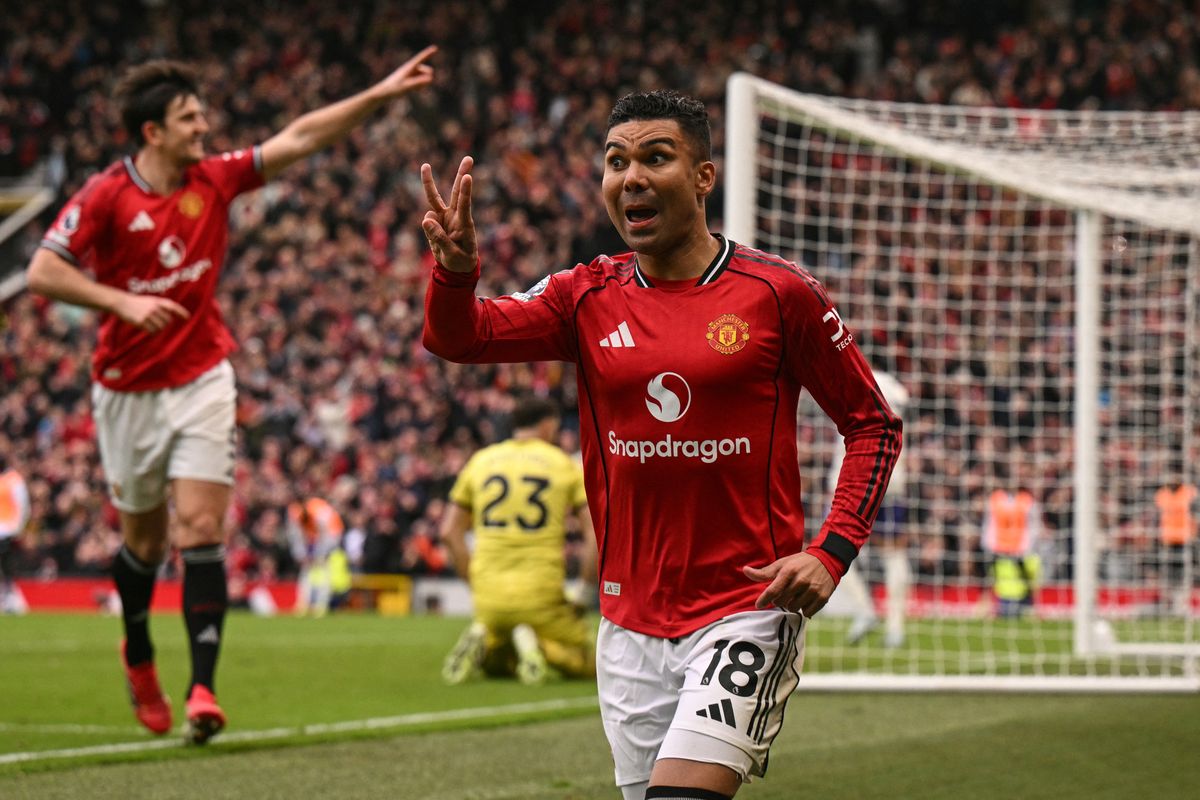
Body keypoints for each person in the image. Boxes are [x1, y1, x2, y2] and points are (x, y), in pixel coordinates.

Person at [421, 90, 901, 800]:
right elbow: (459, 338)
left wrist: (832, 551)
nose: (631, 177)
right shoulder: (584, 295)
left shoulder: (778, 294)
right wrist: (456, 273)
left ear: (703, 177)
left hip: (746, 608)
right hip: (628, 625)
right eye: (616, 162)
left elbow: (872, 424)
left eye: (655, 157)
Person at [25, 47, 436, 743]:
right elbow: (42, 270)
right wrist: (119, 303)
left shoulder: (213, 179)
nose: (204, 125)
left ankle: (203, 688)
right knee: (145, 545)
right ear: (151, 131)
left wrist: (379, 94)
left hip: (201, 377)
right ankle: (138, 651)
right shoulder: (105, 195)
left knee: (201, 530)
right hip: (126, 391)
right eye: (189, 117)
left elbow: (299, 137)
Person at [439, 395, 597, 686]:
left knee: (502, 659)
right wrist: (584, 594)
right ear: (549, 425)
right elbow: (596, 532)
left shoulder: (481, 461)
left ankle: (489, 642)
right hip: (541, 594)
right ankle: (540, 646)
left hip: (488, 598)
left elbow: (449, 532)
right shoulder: (562, 464)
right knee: (591, 662)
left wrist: (476, 583)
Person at [828, 369, 911, 648]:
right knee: (893, 552)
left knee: (829, 547)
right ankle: (895, 627)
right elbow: (904, 402)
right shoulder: (892, 384)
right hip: (892, 475)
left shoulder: (846, 376)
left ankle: (865, 610)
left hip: (854, 479)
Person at [981, 477, 1044, 618]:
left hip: (1021, 549)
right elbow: (989, 523)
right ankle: (992, 606)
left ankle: (1031, 606)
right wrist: (988, 545)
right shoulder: (995, 499)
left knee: (1027, 579)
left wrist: (1028, 546)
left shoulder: (1027, 500)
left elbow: (1033, 525)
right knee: (994, 579)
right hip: (999, 548)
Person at [286, 495, 349, 617]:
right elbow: (297, 535)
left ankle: (320, 605)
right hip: (315, 538)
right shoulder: (295, 510)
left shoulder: (317, 510)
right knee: (307, 571)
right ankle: (303, 605)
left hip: (331, 537)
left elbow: (326, 533)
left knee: (324, 572)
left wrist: (318, 554)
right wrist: (301, 554)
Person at [1154, 478, 1198, 615]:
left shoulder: (1190, 493)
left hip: (1185, 541)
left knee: (1184, 574)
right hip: (1166, 541)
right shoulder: (1161, 494)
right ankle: (1168, 605)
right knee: (1168, 575)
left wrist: (1194, 535)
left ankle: (1181, 605)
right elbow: (1158, 517)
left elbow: (1195, 516)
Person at [0, 454, 31, 615]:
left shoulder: (13, 479)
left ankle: (11, 596)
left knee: (7, 565)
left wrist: (19, 528)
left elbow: (22, 504)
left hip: (8, 530)